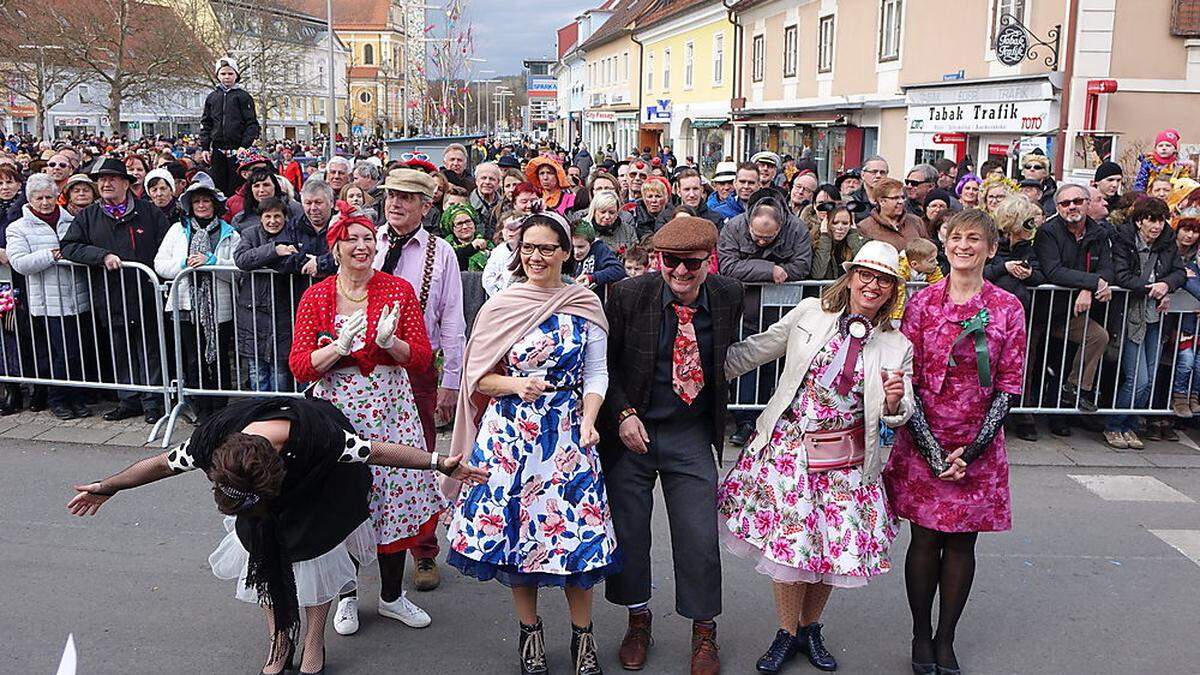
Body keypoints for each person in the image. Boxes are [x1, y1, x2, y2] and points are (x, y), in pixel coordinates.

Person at [66, 396, 486, 675]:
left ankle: (313, 643)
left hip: (322, 490)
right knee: (262, 556)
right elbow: (159, 464)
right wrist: (109, 486)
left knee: (314, 562)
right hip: (258, 499)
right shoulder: (211, 440)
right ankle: (278, 640)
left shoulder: (322, 439)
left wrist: (439, 462)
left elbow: (376, 450)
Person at [719, 241, 913, 674]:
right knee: (791, 549)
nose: (872, 285)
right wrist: (700, 365)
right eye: (866, 274)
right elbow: (758, 349)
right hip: (789, 451)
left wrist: (897, 403)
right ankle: (786, 633)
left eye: (883, 280)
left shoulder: (896, 344)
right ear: (851, 276)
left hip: (846, 460)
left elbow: (903, 413)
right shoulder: (811, 312)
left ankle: (810, 628)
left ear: (892, 290)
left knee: (832, 549)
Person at [444, 210, 618, 675]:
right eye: (528, 248)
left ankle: (584, 638)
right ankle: (531, 634)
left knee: (576, 539)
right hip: (511, 435)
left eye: (546, 248)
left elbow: (596, 372)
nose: (536, 256)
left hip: (567, 433)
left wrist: (589, 418)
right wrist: (515, 386)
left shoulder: (585, 304)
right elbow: (477, 378)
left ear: (566, 252)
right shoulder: (502, 305)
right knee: (518, 539)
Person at [883, 209, 1027, 675]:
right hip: (924, 434)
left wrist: (975, 449)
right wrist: (930, 448)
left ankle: (947, 639)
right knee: (923, 540)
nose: (964, 246)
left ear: (990, 248)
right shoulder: (922, 304)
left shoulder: (1007, 307)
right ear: (944, 244)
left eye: (974, 239)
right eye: (956, 238)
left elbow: (1009, 383)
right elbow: (906, 377)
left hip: (977, 440)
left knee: (963, 544)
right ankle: (920, 634)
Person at [290, 206, 446, 636]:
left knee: (393, 500)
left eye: (367, 239)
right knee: (344, 502)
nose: (361, 247)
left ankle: (393, 596)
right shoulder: (317, 296)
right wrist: (337, 348)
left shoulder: (397, 290)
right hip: (337, 412)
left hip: (391, 408)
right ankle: (345, 596)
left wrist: (391, 342)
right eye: (352, 239)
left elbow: (421, 359)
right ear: (336, 247)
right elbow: (301, 365)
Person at [600, 216, 745, 675]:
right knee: (630, 534)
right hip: (634, 430)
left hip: (689, 433)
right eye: (671, 262)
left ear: (709, 261)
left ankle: (704, 632)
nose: (680, 272)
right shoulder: (628, 295)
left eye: (692, 264)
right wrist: (622, 414)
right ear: (658, 259)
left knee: (699, 536)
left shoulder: (729, 295)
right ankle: (638, 619)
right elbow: (605, 366)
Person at [373, 168, 466, 591]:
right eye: (391, 195)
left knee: (420, 459)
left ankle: (424, 551)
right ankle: (372, 545)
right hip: (366, 371)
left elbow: (451, 318)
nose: (395, 203)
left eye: (406, 197)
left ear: (425, 206)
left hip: (417, 369)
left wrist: (451, 379)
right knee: (364, 457)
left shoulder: (440, 251)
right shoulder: (367, 242)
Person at [61, 158, 169, 424]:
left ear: (126, 183)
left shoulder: (149, 212)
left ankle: (153, 400)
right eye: (101, 180)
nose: (105, 184)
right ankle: (128, 399)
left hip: (145, 292)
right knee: (120, 348)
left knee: (151, 348)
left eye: (111, 179)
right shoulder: (89, 215)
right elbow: (70, 246)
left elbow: (166, 247)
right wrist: (101, 255)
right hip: (109, 294)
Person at [154, 178, 241, 422]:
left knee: (220, 358)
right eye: (197, 201)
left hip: (219, 308)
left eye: (206, 201)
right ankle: (201, 410)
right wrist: (184, 265)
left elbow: (239, 270)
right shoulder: (177, 230)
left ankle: (220, 410)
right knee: (193, 359)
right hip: (185, 306)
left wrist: (213, 263)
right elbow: (159, 264)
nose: (202, 205)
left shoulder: (230, 234)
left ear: (215, 204)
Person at [5, 173, 90, 420]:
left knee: (78, 352)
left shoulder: (70, 220)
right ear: (30, 200)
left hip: (77, 296)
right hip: (48, 302)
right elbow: (19, 262)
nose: (45, 202)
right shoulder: (18, 228)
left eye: (49, 197)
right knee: (59, 354)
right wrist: (52, 255)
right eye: (39, 198)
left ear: (57, 197)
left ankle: (77, 396)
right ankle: (59, 399)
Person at [1103, 198, 1184, 448]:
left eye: (1161, 220)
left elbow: (1179, 272)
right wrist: (1153, 289)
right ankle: (1114, 425)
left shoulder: (1168, 243)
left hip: (1156, 318)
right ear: (1139, 221)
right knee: (1138, 378)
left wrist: (1166, 285)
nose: (1157, 226)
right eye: (1151, 220)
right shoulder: (1124, 240)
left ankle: (1129, 425)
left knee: (1149, 376)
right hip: (1130, 316)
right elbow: (1122, 275)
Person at [1035, 183, 1113, 435]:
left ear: (1087, 203)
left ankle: (1075, 390)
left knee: (1097, 337)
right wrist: (1091, 282)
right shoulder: (1048, 231)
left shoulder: (1098, 233)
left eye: (1077, 201)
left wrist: (1088, 289)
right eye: (1065, 203)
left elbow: (1107, 270)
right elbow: (1053, 270)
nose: (1072, 207)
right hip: (1049, 312)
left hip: (1081, 311)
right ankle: (1046, 414)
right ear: (1057, 207)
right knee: (1049, 363)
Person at [233, 196, 323, 392]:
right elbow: (241, 259)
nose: (273, 221)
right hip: (253, 312)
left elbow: (298, 261)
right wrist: (274, 250)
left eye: (277, 216)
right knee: (257, 369)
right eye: (268, 216)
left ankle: (280, 411)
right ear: (261, 218)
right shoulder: (249, 235)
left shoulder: (293, 235)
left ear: (285, 217)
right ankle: (260, 413)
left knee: (280, 368)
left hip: (284, 309)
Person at [985, 196, 1046, 441]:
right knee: (988, 366)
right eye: (1028, 223)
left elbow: (1044, 274)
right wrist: (1005, 267)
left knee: (1023, 367)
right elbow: (980, 272)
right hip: (991, 318)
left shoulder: (1032, 247)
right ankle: (990, 415)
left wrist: (1029, 274)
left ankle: (1022, 414)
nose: (1032, 227)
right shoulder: (993, 245)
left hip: (1026, 318)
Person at [200, 57, 260, 195]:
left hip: (238, 150)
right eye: (223, 74)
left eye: (230, 73)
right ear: (218, 75)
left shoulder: (243, 97)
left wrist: (245, 145)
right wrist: (205, 147)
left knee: (237, 186)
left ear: (236, 75)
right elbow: (206, 123)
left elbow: (251, 124)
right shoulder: (212, 97)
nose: (227, 77)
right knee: (218, 187)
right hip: (218, 150)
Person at [858, 178, 929, 251]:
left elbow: (928, 250)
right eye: (895, 198)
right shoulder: (865, 227)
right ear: (882, 201)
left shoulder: (916, 221)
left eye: (902, 197)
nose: (901, 201)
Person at [233, 168, 304, 232]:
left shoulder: (295, 210)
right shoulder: (240, 220)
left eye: (266, 185)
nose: (261, 190)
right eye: (256, 186)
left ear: (275, 187)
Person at [810, 203, 866, 280]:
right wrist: (825, 237)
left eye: (845, 223)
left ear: (851, 224)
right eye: (835, 223)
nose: (840, 227)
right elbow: (817, 274)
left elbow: (864, 266)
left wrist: (853, 235)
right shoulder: (813, 240)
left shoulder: (856, 240)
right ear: (826, 222)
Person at [571, 220, 626, 295]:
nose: (576, 252)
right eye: (572, 246)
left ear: (591, 243)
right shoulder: (566, 251)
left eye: (581, 247)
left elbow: (618, 269)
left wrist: (593, 278)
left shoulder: (600, 250)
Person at [1134, 128, 1192, 192]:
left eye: (1168, 145)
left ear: (1175, 149)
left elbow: (1184, 186)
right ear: (1155, 149)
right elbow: (1140, 183)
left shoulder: (1180, 167)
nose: (1164, 148)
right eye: (1160, 146)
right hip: (1151, 198)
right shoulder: (1149, 163)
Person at [482, 210, 523, 297]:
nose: (510, 233)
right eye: (506, 228)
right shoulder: (498, 252)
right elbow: (487, 278)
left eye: (515, 228)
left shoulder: (529, 251)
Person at [441, 202, 491, 271]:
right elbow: (451, 260)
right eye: (459, 224)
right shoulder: (446, 246)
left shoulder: (486, 243)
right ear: (452, 228)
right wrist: (472, 247)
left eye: (468, 221)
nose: (465, 227)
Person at [469, 162, 503, 239]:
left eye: (492, 179)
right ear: (476, 181)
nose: (487, 182)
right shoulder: (468, 204)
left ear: (498, 183)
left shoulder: (504, 206)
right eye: (483, 178)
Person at [1020, 150, 1057, 215]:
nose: (1032, 169)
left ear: (1045, 173)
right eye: (1028, 167)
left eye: (1037, 167)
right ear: (1023, 171)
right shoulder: (1013, 189)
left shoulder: (1053, 194)